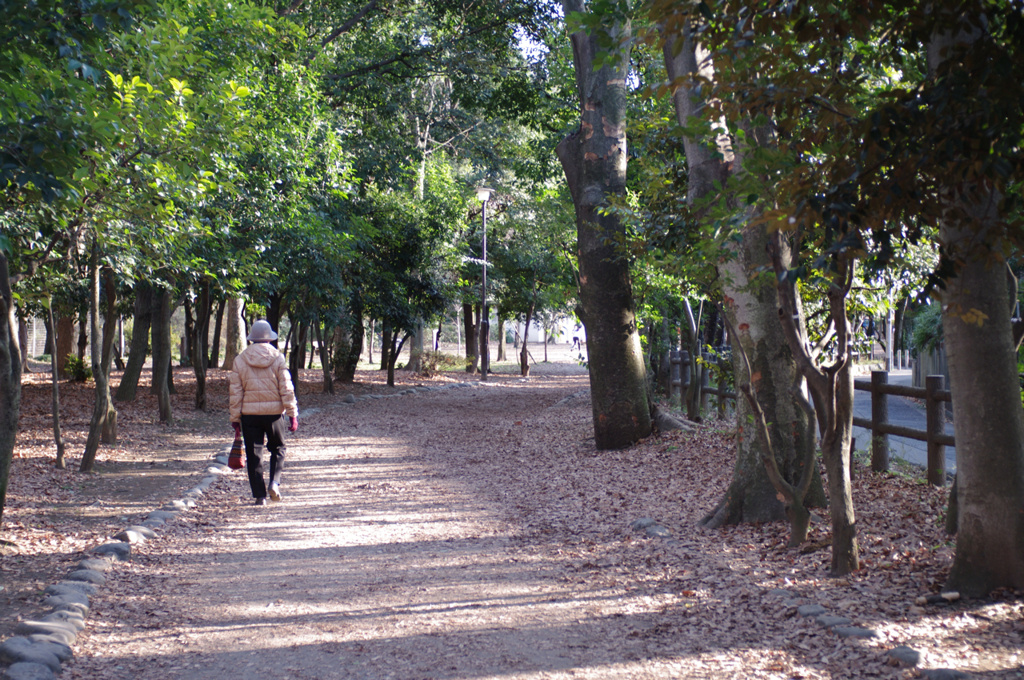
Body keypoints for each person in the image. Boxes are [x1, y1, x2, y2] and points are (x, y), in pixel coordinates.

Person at [229, 320, 299, 506]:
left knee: (254, 454)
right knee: (278, 448)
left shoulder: (240, 360)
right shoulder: (278, 358)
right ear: (269, 338)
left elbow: (236, 392)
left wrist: (235, 418)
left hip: (249, 415)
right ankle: (274, 482)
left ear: (252, 339)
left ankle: (260, 496)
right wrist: (292, 413)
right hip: (274, 414)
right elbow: (286, 387)